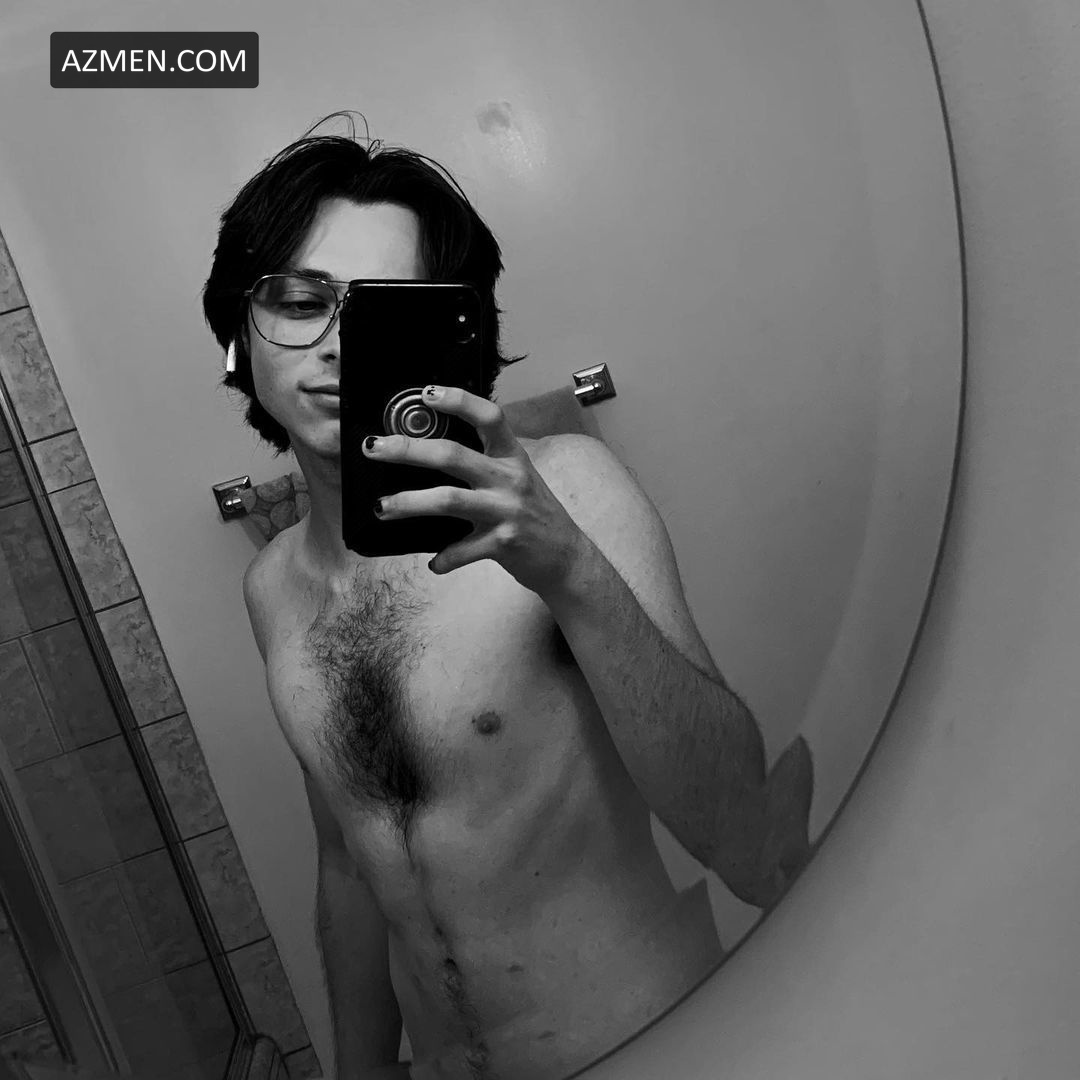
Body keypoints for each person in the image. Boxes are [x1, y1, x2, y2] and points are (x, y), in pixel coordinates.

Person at [202, 115, 813, 1080]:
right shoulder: (271, 587)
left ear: (446, 338)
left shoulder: (567, 491)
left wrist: (571, 571)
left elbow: (740, 834)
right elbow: (349, 862)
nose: (338, 347)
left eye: (385, 314)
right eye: (301, 301)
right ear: (241, 330)